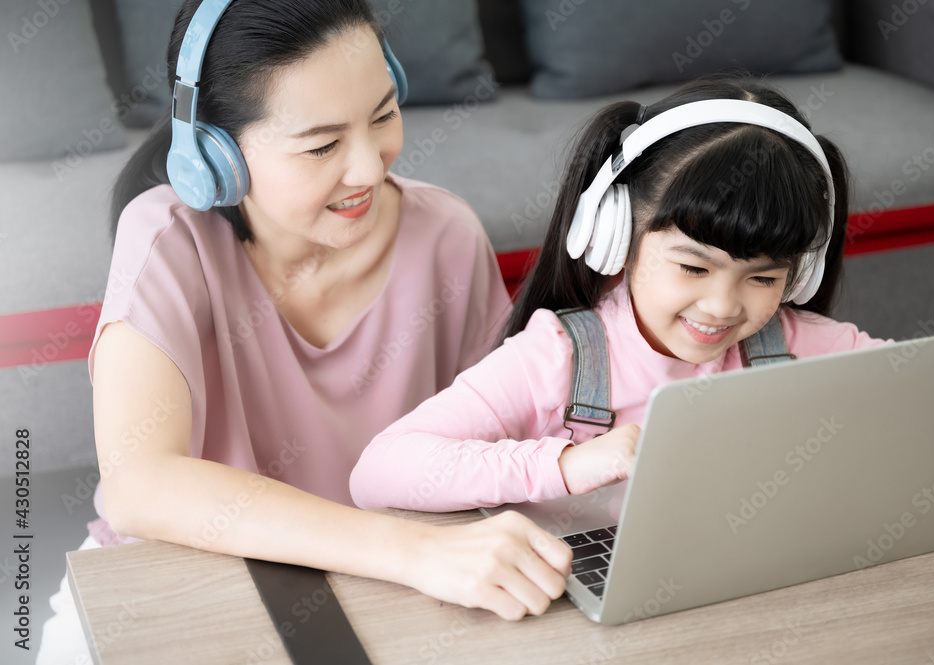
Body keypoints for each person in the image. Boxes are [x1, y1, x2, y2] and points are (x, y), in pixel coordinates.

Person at [37, 2, 573, 662]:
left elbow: (497, 451)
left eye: (383, 114)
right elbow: (139, 486)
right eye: (322, 145)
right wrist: (411, 550)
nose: (371, 168)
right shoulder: (166, 238)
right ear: (216, 153)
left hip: (390, 585)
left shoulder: (446, 235)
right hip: (192, 574)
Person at [349, 76, 887, 513]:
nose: (724, 306)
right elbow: (381, 470)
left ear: (802, 272)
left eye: (763, 279)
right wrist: (563, 466)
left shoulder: (792, 343)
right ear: (616, 235)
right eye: (694, 267)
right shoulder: (556, 358)